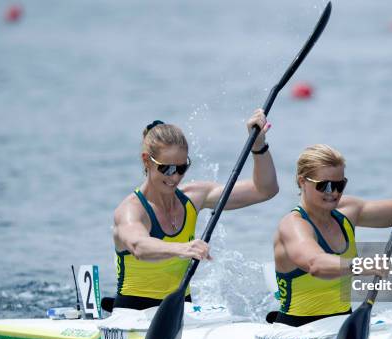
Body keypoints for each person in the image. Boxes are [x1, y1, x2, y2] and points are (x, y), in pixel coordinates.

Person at [112, 109, 278, 310]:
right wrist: (181, 248)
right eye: (167, 169)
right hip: (133, 313)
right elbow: (139, 247)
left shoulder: (194, 197)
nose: (175, 177)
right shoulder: (131, 209)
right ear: (147, 160)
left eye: (182, 168)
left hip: (182, 311)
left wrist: (258, 146)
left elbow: (264, 190)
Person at [272, 142, 392, 326]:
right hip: (297, 330)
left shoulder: (348, 210)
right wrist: (361, 265)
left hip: (341, 324)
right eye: (324, 186)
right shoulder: (293, 225)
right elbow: (316, 264)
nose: (333, 193)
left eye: (339, 185)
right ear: (303, 182)